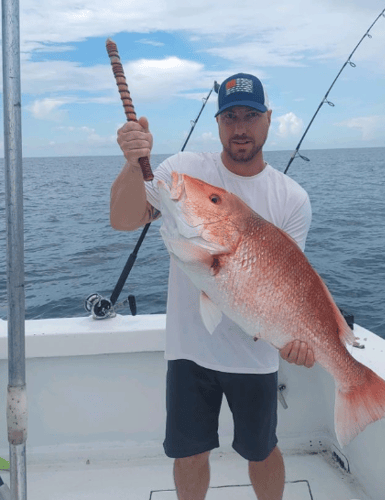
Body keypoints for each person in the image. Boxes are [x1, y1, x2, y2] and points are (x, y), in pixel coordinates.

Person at [110, 73, 315, 500]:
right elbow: (124, 219)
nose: (240, 127)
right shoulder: (183, 171)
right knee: (188, 454)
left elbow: (285, 284)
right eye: (230, 116)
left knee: (261, 451)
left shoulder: (291, 198)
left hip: (256, 356)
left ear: (269, 118)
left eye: (251, 115)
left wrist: (296, 339)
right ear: (218, 122)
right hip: (190, 349)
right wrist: (133, 164)